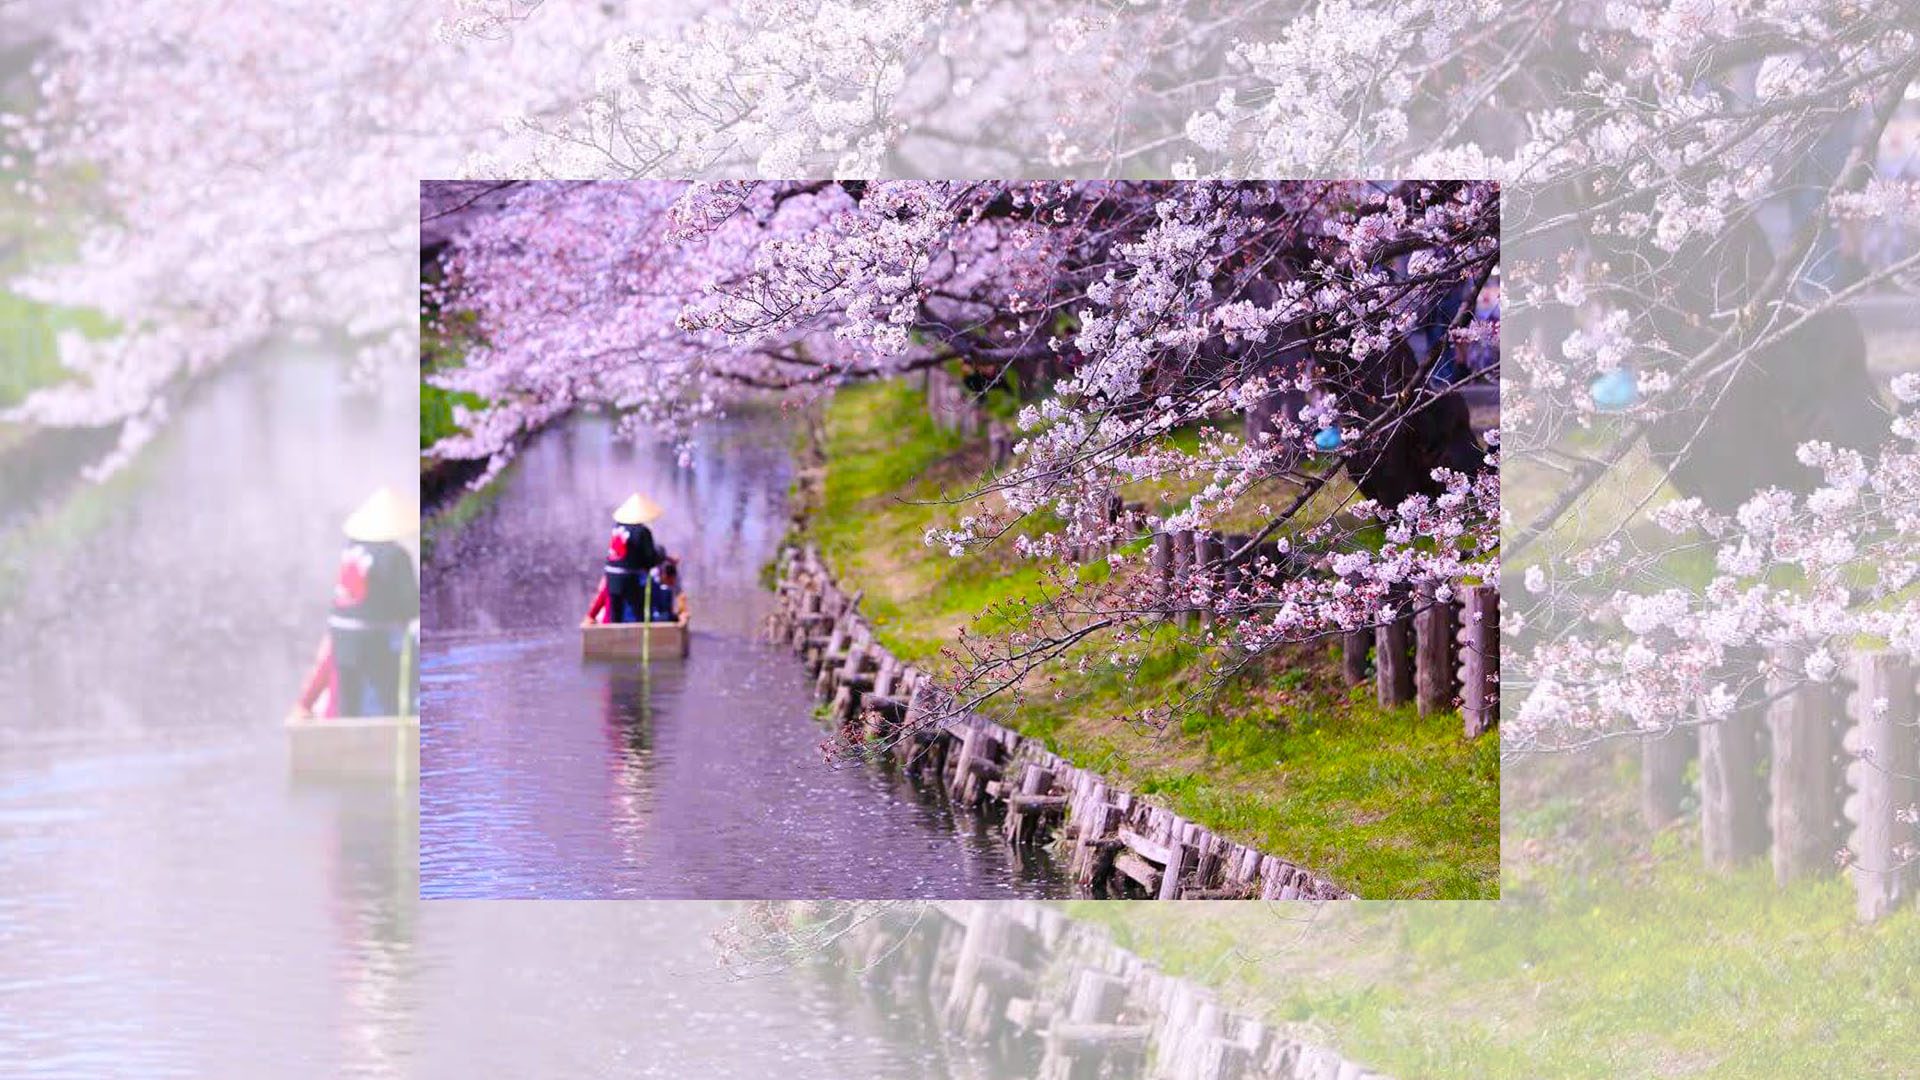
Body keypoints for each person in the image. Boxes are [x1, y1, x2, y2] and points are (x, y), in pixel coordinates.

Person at [294, 487, 419, 718]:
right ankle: (394, 727)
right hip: (374, 637)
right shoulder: (395, 555)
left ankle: (344, 735)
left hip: (340, 634)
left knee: (347, 697)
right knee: (389, 693)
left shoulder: (351, 549)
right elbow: (410, 602)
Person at [585, 493, 664, 625]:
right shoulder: (642, 531)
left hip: (611, 574)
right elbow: (649, 559)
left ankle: (615, 637)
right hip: (628, 576)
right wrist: (660, 558)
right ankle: (641, 636)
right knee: (640, 610)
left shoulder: (617, 527)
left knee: (615, 612)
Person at [647, 558, 683, 623]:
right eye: (670, 581)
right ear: (664, 576)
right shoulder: (653, 576)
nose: (672, 583)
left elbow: (680, 594)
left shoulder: (675, 578)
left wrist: (682, 611)